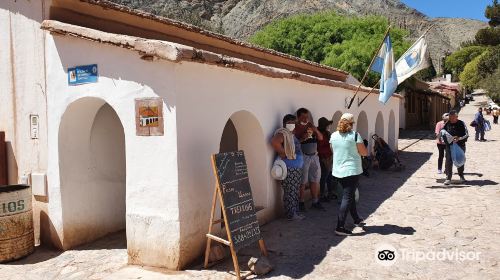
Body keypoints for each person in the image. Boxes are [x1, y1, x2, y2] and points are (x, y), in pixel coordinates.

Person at [330, 113, 368, 236]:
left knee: (349, 195)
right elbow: (364, 152)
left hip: (338, 171)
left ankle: (356, 219)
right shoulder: (355, 135)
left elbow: (333, 150)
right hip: (352, 170)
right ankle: (339, 227)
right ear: (352, 124)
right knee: (347, 197)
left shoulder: (333, 135)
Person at [271, 114, 305, 221]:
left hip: (295, 168)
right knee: (290, 191)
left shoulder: (290, 134)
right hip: (290, 168)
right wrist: (283, 153)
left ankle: (294, 212)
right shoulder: (283, 133)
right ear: (285, 123)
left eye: (294, 123)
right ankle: (291, 214)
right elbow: (274, 142)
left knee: (294, 191)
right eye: (290, 123)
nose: (293, 125)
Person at [294, 108, 325, 211]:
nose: (305, 118)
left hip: (314, 156)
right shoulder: (296, 127)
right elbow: (294, 142)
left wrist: (315, 130)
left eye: (306, 116)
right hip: (304, 156)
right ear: (298, 117)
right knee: (303, 181)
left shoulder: (311, 126)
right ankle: (301, 202)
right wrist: (303, 138)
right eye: (303, 117)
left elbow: (320, 138)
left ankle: (315, 201)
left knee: (315, 179)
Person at [442, 110, 468, 185]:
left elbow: (466, 134)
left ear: (457, 117)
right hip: (449, 146)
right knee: (448, 161)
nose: (451, 119)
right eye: (450, 117)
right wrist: (445, 139)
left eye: (453, 117)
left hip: (460, 145)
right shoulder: (447, 123)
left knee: (460, 160)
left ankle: (461, 176)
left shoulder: (461, 123)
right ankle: (448, 178)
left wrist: (459, 138)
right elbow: (443, 132)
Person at [317, 117, 337, 202]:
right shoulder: (319, 134)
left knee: (329, 176)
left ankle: (329, 193)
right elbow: (321, 146)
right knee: (324, 176)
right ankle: (322, 195)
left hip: (329, 156)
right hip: (323, 157)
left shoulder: (326, 133)